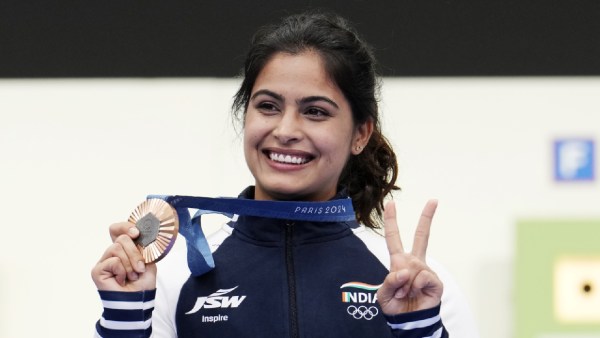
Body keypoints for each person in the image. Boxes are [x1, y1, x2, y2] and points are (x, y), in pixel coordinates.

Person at [91, 11, 479, 338]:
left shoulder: (411, 285)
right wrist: (126, 319)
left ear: (360, 134)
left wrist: (421, 329)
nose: (286, 130)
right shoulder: (176, 277)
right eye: (268, 106)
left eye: (315, 111)